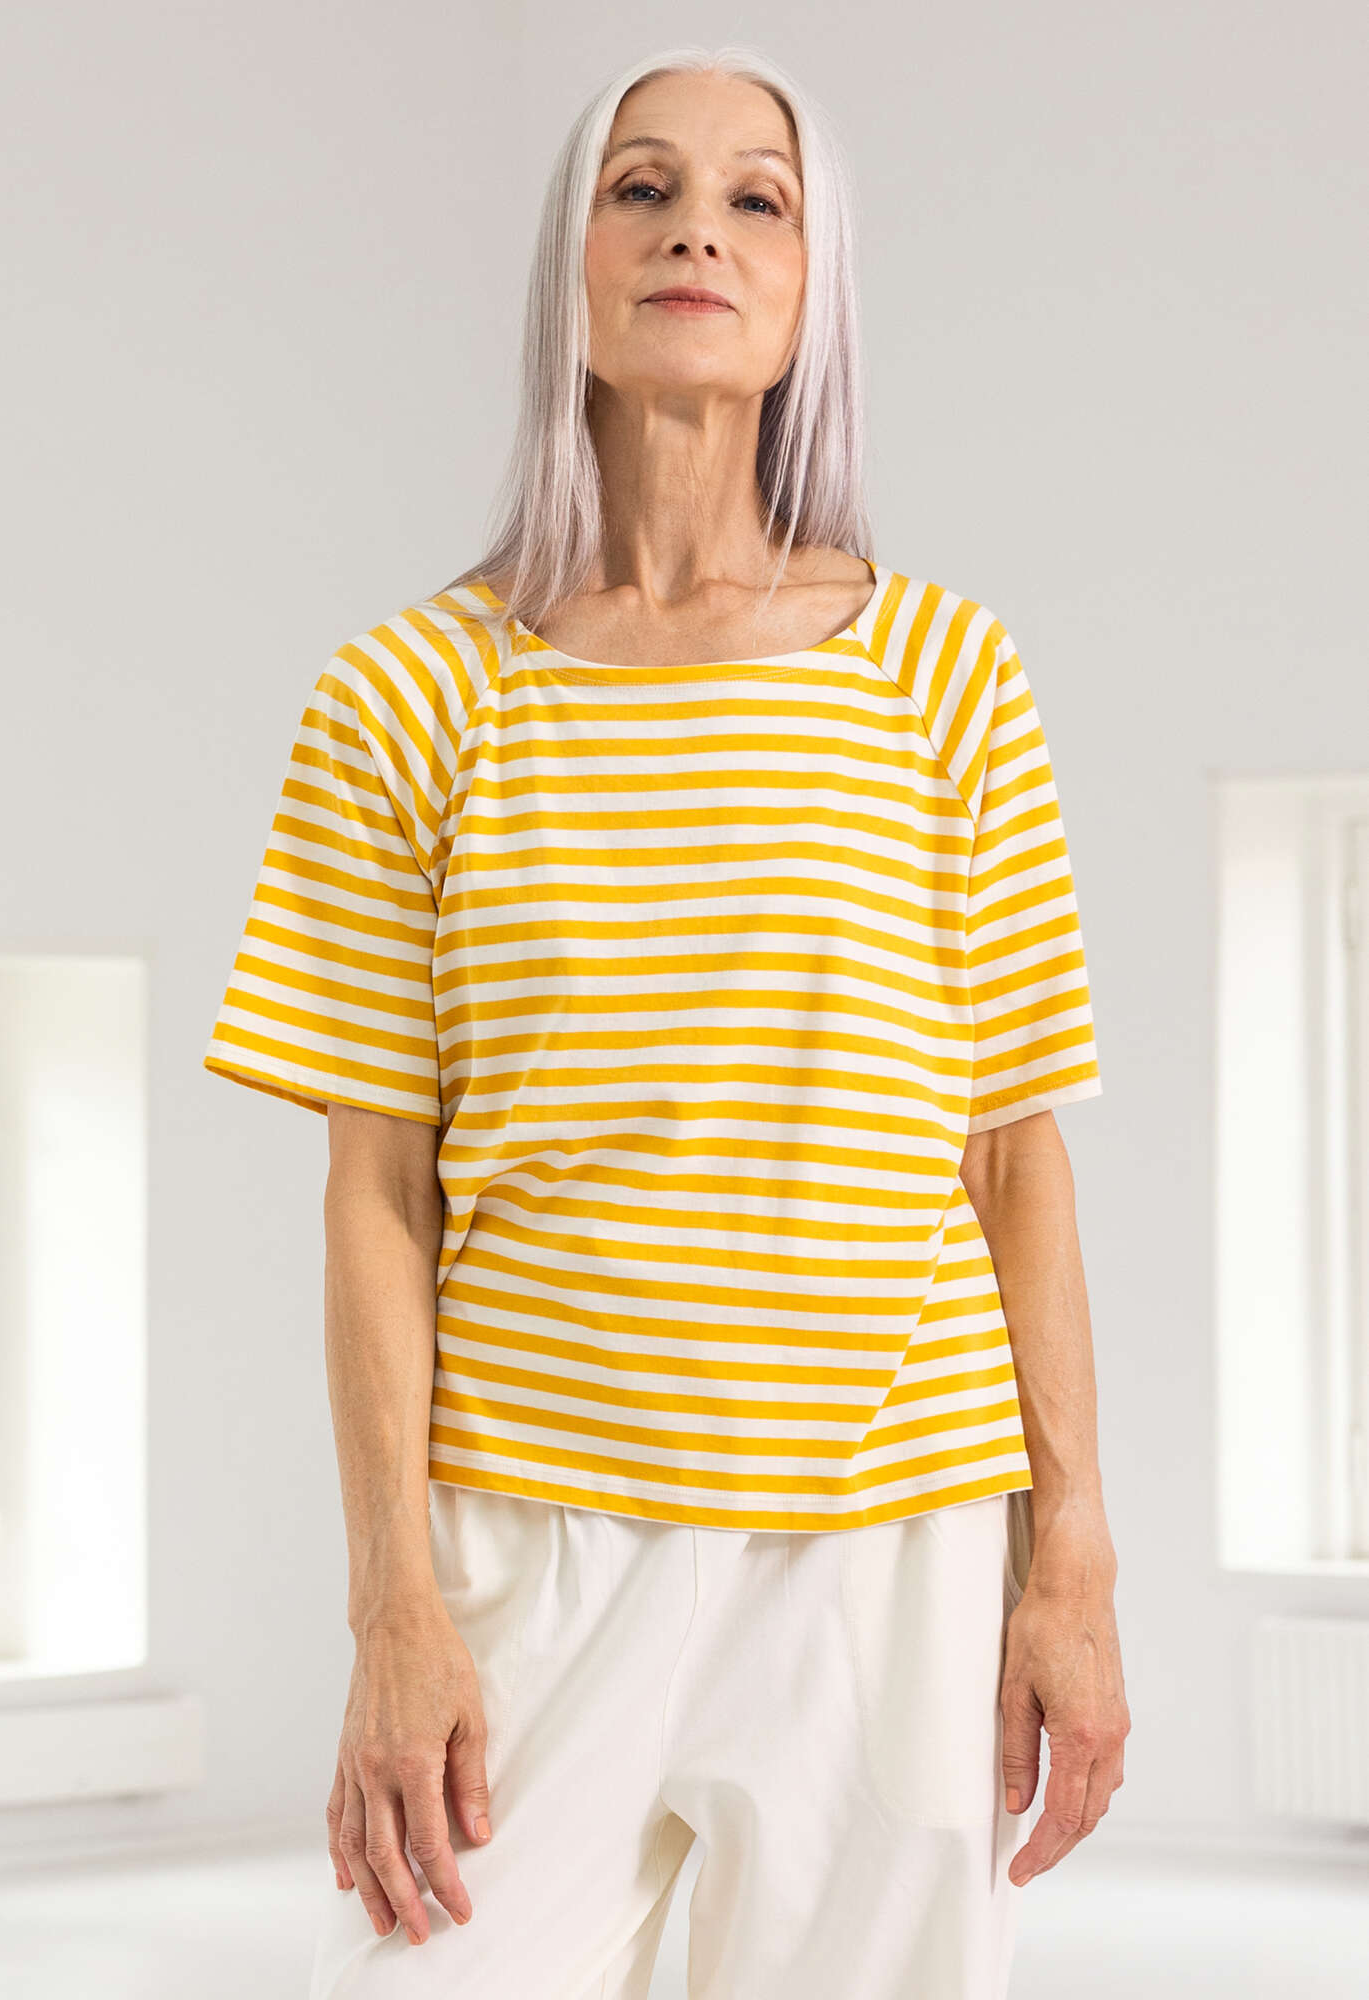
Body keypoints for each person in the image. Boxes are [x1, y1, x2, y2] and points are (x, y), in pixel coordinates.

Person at [204, 42, 1130, 2000]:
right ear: (574, 263)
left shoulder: (947, 681)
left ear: (809, 293)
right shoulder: (406, 697)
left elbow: (1013, 1152)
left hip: (890, 1537)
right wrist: (390, 1608)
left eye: (754, 199)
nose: (695, 226)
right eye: (642, 186)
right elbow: (376, 1192)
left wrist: (1073, 1560)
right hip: (530, 1534)